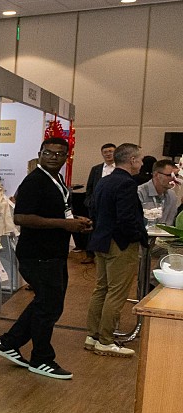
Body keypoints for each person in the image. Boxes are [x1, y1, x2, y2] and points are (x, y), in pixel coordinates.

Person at [0, 137, 92, 380]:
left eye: (59, 154)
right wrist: (64, 224)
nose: (53, 157)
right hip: (37, 254)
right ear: (40, 154)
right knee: (48, 306)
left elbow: (56, 211)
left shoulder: (56, 180)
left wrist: (74, 221)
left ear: (66, 157)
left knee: (48, 304)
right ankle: (41, 359)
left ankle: (9, 342)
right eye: (48, 153)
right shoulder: (34, 181)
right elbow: (21, 218)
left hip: (53, 252)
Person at [85, 142, 147, 357]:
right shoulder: (127, 183)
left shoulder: (105, 180)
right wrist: (137, 237)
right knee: (116, 293)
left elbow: (94, 210)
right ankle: (106, 340)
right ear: (132, 160)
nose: (142, 164)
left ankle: (92, 336)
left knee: (101, 289)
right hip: (120, 244)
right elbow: (126, 218)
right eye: (140, 159)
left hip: (101, 241)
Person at [82, 143, 117, 263]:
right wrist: (89, 202)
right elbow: (89, 187)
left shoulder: (119, 169)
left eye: (110, 151)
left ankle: (105, 254)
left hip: (112, 206)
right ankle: (90, 254)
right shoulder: (96, 169)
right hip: (95, 206)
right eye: (105, 152)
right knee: (92, 229)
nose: (108, 154)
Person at [137, 159, 180, 227]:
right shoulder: (139, 193)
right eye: (169, 175)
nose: (174, 179)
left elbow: (170, 224)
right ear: (156, 175)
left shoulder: (172, 196)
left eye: (176, 175)